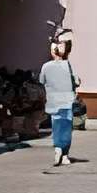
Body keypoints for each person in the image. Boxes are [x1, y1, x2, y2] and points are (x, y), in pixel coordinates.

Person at [38, 37, 79, 167]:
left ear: (52, 52)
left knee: (56, 126)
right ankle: (65, 155)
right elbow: (77, 81)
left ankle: (58, 148)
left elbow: (41, 81)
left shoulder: (46, 66)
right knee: (66, 127)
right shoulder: (68, 65)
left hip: (53, 101)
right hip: (67, 101)